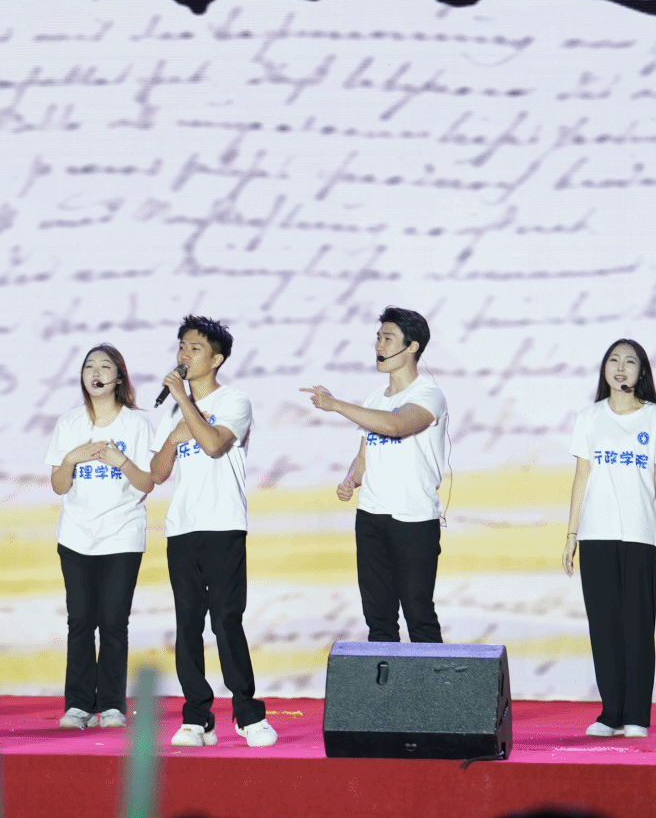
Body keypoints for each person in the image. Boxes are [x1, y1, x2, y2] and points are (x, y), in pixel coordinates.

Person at [148, 316, 276, 748]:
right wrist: (172, 438)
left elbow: (215, 444)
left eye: (195, 348)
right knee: (187, 624)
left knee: (225, 620)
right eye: (181, 346)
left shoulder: (234, 400)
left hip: (223, 524)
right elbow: (157, 474)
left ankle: (247, 714)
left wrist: (184, 404)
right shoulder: (172, 411)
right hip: (182, 528)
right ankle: (197, 718)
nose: (184, 354)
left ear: (217, 359)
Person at [301, 306, 449, 643]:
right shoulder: (374, 398)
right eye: (378, 338)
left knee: (418, 613)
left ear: (412, 347)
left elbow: (396, 426)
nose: (379, 345)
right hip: (371, 515)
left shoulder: (428, 394)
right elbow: (364, 456)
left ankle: (432, 678)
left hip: (413, 517)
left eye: (388, 338)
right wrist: (350, 479)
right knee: (378, 616)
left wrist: (336, 405)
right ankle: (384, 679)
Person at [561, 339, 656, 739]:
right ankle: (611, 713)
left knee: (638, 626)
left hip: (641, 536)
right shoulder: (589, 418)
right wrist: (571, 534)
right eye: (614, 360)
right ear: (604, 369)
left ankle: (637, 715)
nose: (621, 367)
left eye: (630, 361)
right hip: (596, 533)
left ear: (642, 372)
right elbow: (582, 476)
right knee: (605, 626)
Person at [44, 344, 157, 729]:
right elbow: (59, 485)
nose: (96, 372)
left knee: (113, 622)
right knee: (80, 622)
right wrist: (71, 458)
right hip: (76, 535)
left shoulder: (136, 425)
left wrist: (120, 461)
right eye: (89, 366)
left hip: (122, 534)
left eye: (105, 366)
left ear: (119, 377)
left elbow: (148, 482)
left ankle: (110, 705)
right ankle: (78, 705)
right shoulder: (69, 423)